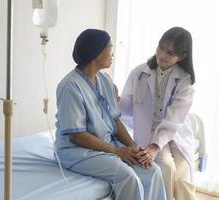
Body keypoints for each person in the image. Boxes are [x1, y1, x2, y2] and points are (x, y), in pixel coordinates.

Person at [54, 28, 167, 200]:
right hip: (77, 151)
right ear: (96, 51)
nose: (113, 52)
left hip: (106, 144)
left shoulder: (104, 80)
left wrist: (133, 147)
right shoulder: (70, 86)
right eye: (109, 47)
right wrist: (116, 151)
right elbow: (77, 136)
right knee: (127, 176)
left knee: (152, 169)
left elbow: (115, 120)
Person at [118, 27, 197, 200]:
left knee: (183, 177)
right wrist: (115, 98)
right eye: (161, 48)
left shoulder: (185, 80)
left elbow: (173, 121)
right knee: (167, 168)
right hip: (150, 132)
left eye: (170, 52)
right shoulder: (138, 72)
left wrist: (155, 147)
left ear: (182, 56)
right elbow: (127, 108)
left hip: (176, 132)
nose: (162, 55)